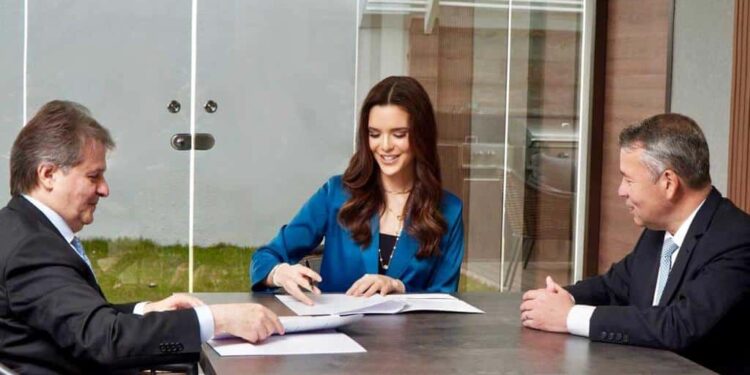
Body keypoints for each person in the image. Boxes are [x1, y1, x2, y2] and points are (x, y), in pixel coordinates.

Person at [0, 101, 284, 374]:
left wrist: (145, 310)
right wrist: (217, 320)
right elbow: (103, 339)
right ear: (48, 174)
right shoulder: (32, 248)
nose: (104, 190)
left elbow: (76, 319)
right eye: (93, 176)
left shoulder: (20, 227)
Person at [519, 113, 750, 373]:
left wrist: (570, 317)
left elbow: (679, 325)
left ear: (669, 183)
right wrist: (560, 298)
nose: (621, 191)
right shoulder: (658, 231)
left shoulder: (737, 239)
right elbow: (613, 287)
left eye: (629, 180)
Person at [251, 76, 464, 305]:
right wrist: (279, 273)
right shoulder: (336, 194)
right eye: (374, 134)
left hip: (413, 339)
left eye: (399, 134)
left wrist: (400, 288)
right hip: (337, 336)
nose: (384, 146)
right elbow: (265, 258)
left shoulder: (449, 211)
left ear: (421, 135)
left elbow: (447, 299)